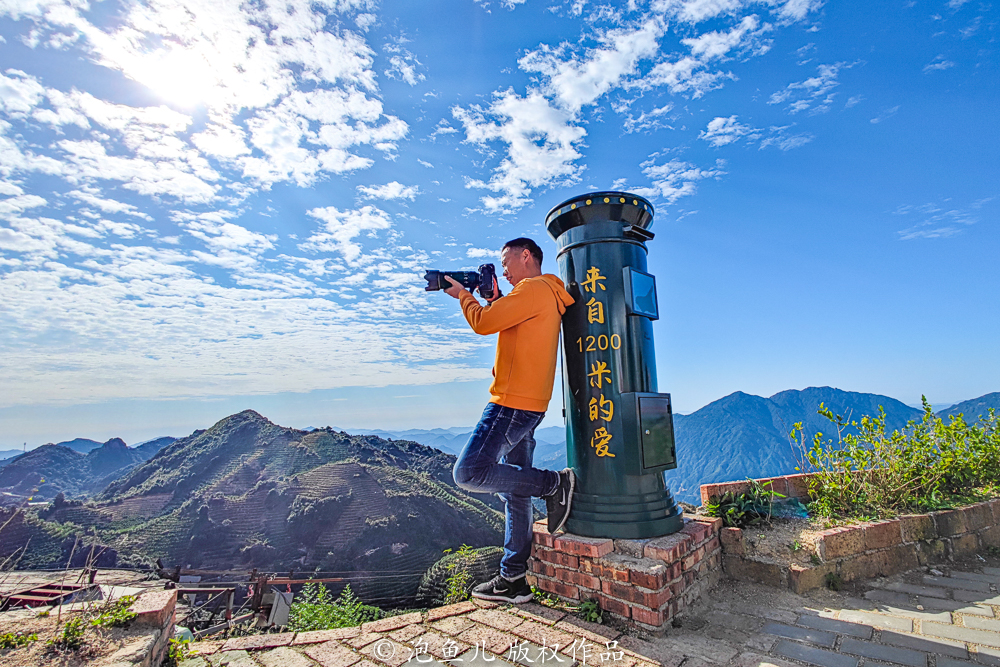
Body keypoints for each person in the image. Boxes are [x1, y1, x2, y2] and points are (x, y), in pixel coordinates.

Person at [442, 237, 576, 604]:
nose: (502, 270)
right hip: (531, 403)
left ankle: (554, 483)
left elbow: (484, 324)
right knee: (515, 490)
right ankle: (512, 579)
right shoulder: (545, 293)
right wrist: (494, 300)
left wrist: (463, 298)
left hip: (510, 403)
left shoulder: (532, 289)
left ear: (526, 256)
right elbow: (508, 326)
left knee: (468, 473)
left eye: (506, 263)